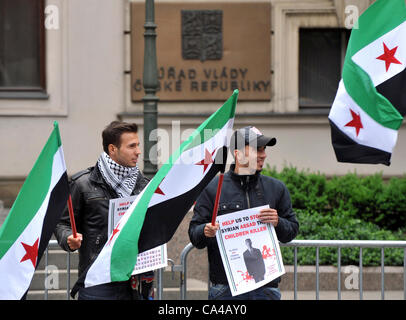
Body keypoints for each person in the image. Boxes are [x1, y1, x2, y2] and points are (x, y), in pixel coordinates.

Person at [188, 126, 299, 300]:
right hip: (226, 289)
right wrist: (205, 230)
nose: (263, 154)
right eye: (257, 149)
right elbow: (195, 236)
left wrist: (278, 222)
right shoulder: (212, 189)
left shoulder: (276, 188)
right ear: (238, 154)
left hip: (266, 288)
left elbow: (291, 231)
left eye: (264, 149)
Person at [54, 121, 153, 300]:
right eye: (132, 146)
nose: (138, 151)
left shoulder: (143, 184)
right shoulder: (83, 183)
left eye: (138, 145)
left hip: (135, 279)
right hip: (97, 280)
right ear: (112, 149)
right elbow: (62, 222)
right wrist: (68, 238)